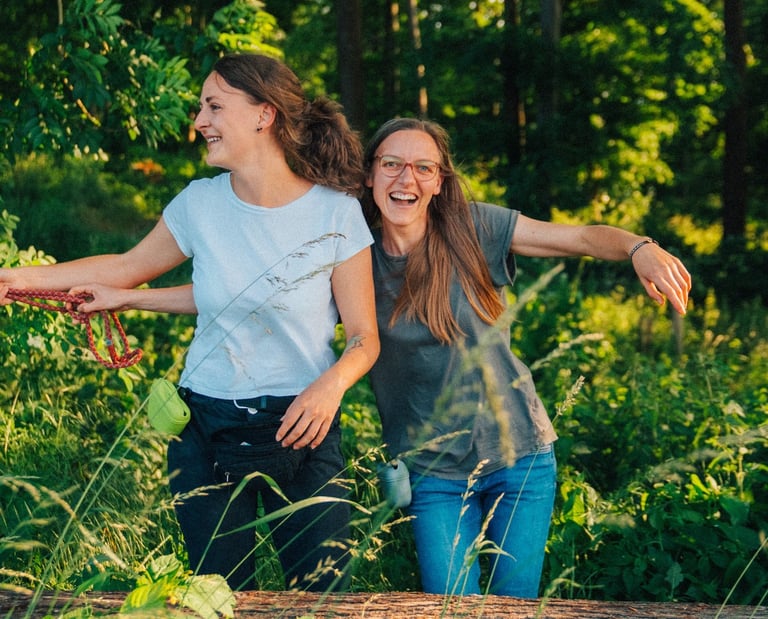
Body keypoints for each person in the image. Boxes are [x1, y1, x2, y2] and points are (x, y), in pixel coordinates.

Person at [0, 53, 380, 592]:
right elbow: (127, 267)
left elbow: (364, 338)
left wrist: (331, 386)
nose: (199, 121)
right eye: (202, 107)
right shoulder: (198, 204)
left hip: (304, 425)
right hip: (204, 427)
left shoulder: (334, 214)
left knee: (321, 596)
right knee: (219, 595)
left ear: (263, 114)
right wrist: (15, 276)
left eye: (213, 106)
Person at [358, 117, 691, 598]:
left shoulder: (473, 227)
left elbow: (578, 238)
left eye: (423, 167)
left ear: (438, 182)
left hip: (521, 458)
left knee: (515, 607)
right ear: (370, 174)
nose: (406, 179)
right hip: (433, 474)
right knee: (450, 606)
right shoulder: (355, 257)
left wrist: (638, 247)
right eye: (391, 164)